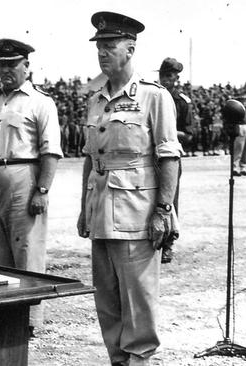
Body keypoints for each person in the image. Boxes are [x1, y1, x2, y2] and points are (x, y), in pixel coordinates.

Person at [77, 11, 182, 366]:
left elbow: (169, 157)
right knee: (108, 305)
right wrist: (83, 209)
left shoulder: (154, 97)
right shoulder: (95, 99)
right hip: (102, 212)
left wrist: (163, 211)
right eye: (99, 46)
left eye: (110, 45)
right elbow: (92, 159)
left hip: (137, 214)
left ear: (130, 49)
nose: (102, 53)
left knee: (138, 307)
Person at [0, 38, 62, 335]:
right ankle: (5, 315)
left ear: (27, 66)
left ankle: (30, 321)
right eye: (2, 65)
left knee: (27, 250)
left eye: (13, 64)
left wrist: (43, 190)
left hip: (23, 174)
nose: (7, 70)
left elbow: (51, 151)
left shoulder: (40, 101)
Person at [158, 57, 190, 263]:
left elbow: (189, 133)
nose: (171, 81)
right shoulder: (149, 96)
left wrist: (166, 132)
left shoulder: (181, 102)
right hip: (148, 156)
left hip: (169, 156)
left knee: (169, 200)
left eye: (174, 78)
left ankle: (168, 243)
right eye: (167, 77)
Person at [230, 99, 246, 176]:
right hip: (241, 126)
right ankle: (234, 168)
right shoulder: (237, 109)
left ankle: (243, 167)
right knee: (238, 148)